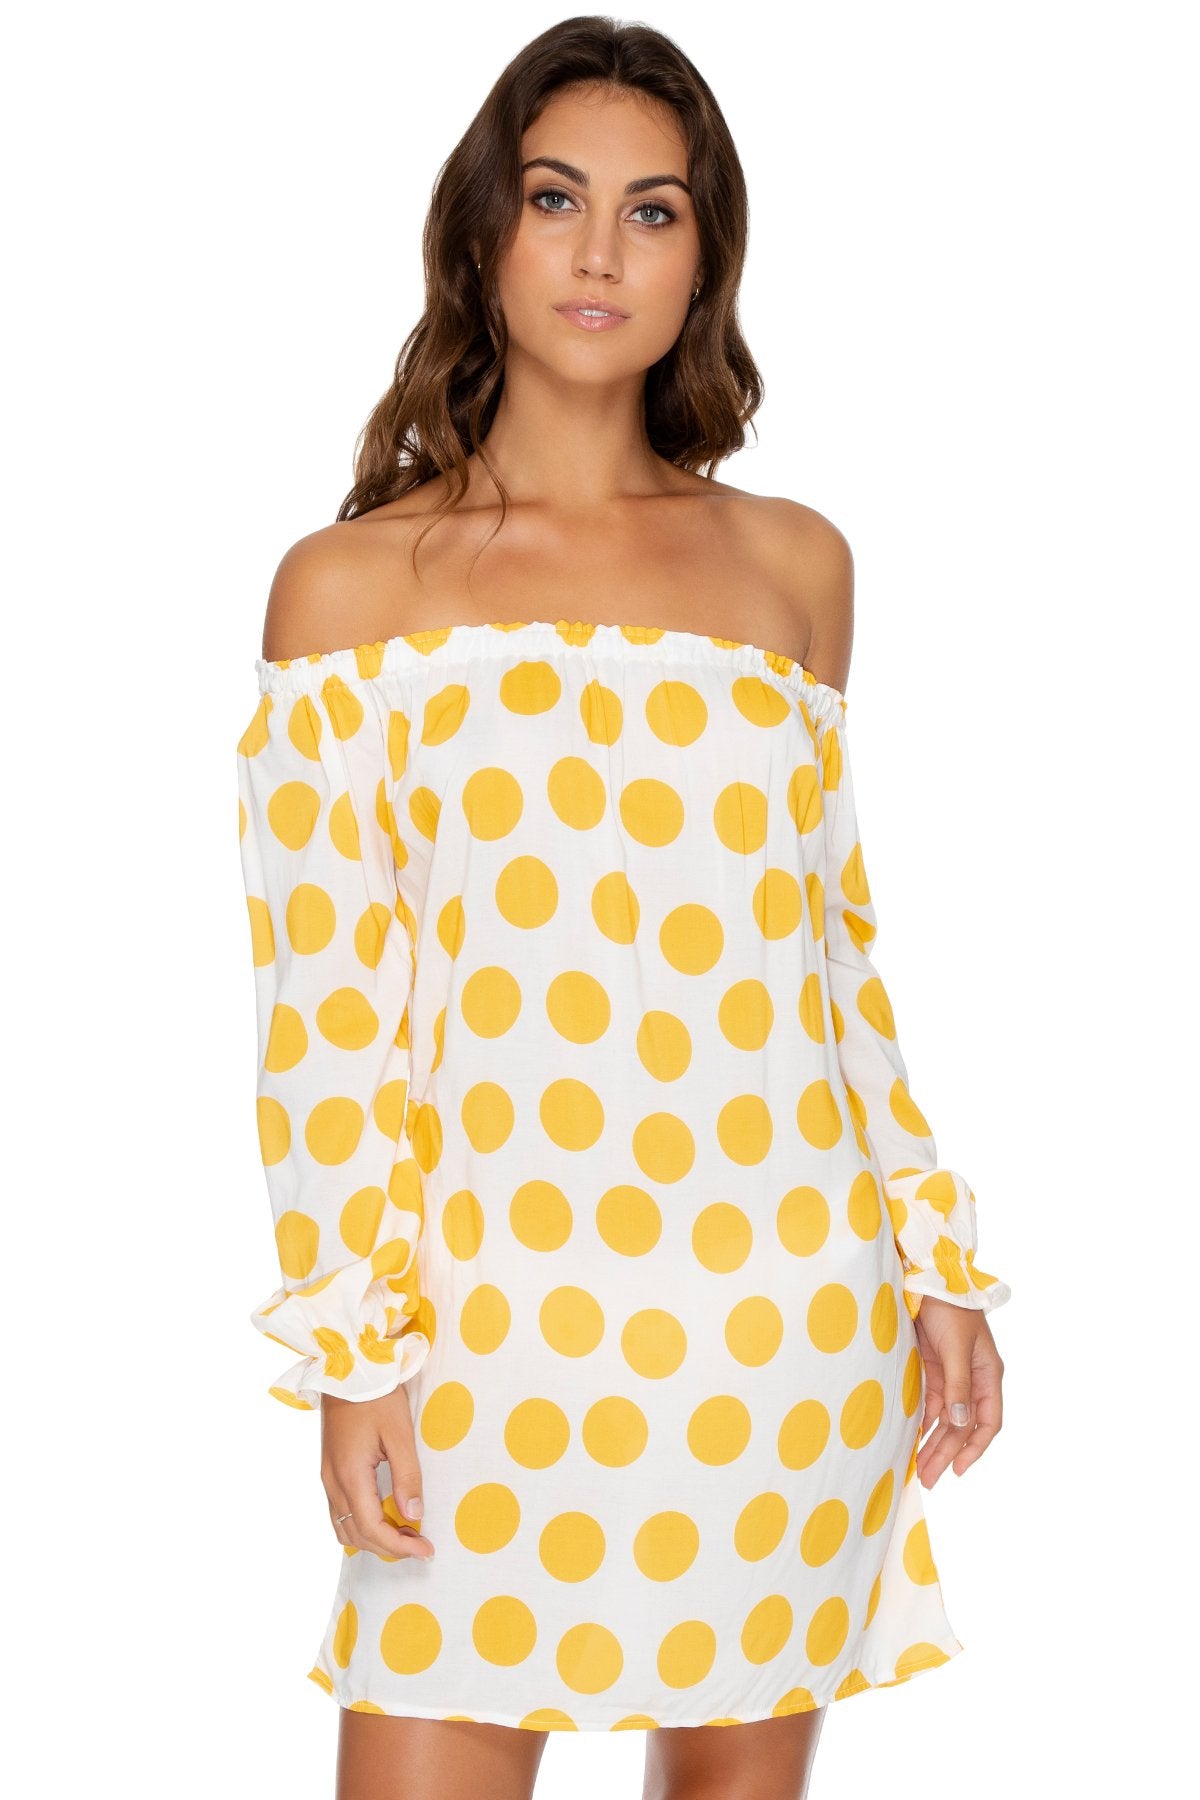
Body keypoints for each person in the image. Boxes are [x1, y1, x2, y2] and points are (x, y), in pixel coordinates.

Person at [234, 16, 1010, 1800]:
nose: (599, 252)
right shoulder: (347, 590)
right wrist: (356, 1354)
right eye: (555, 199)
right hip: (484, 1334)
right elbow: (327, 1020)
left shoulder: (791, 566)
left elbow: (830, 955)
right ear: (483, 233)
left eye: (652, 212)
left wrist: (934, 1257)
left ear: (703, 259)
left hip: (778, 1313)